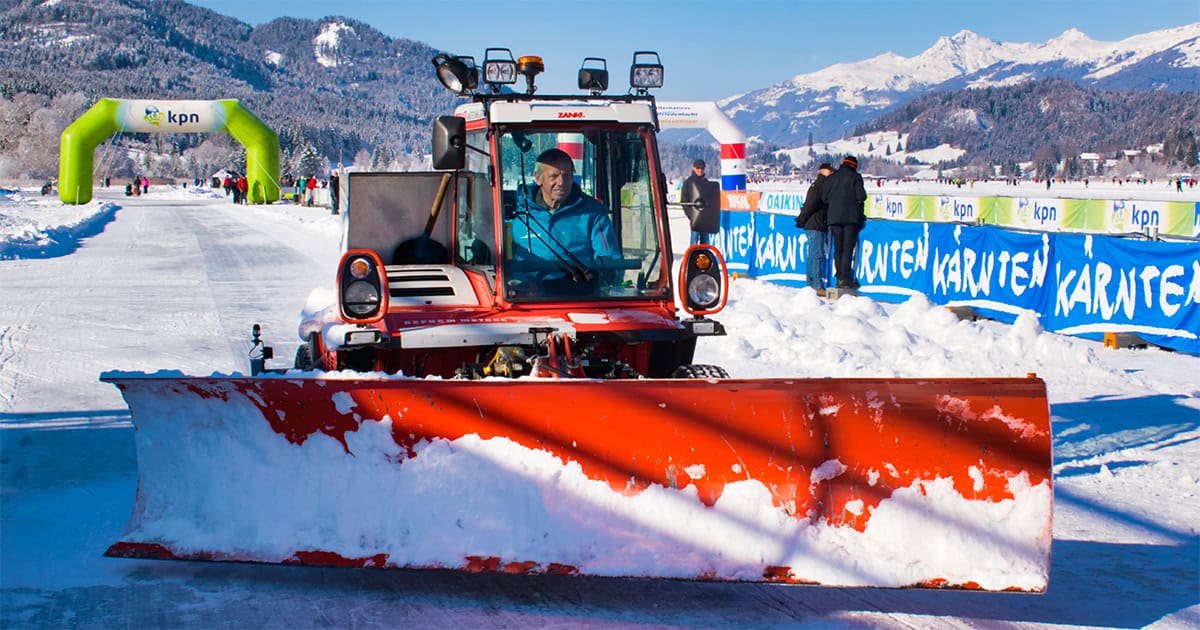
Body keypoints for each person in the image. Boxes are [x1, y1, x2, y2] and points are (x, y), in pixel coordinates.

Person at [508, 148, 619, 295]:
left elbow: (610, 260)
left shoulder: (593, 213)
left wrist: (599, 277)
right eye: (553, 176)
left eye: (567, 176)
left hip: (578, 298)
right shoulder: (516, 213)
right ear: (538, 178)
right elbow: (499, 257)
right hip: (525, 300)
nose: (561, 182)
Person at [821, 155, 867, 289]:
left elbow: (824, 198)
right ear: (854, 166)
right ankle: (845, 279)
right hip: (851, 218)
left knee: (838, 249)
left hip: (834, 218)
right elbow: (861, 196)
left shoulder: (831, 178)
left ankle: (839, 276)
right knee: (847, 249)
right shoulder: (855, 177)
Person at [794, 163, 834, 296]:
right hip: (816, 224)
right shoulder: (819, 187)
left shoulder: (818, 186)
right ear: (823, 171)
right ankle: (816, 285)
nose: (832, 173)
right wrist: (802, 218)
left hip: (814, 223)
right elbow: (810, 205)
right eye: (830, 171)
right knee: (817, 255)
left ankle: (811, 283)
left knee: (812, 254)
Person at [680, 159, 718, 245]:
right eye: (698, 168)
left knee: (705, 241)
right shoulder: (688, 183)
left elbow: (711, 200)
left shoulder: (706, 182)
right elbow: (684, 201)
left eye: (702, 168)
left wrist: (710, 215)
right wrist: (691, 215)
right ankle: (692, 257)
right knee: (694, 240)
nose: (700, 170)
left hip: (705, 219)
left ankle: (704, 257)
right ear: (693, 168)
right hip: (695, 218)